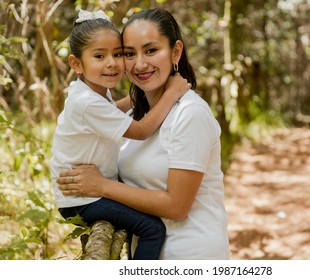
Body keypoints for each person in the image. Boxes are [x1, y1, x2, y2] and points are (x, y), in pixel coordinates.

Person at [57, 8, 230, 260]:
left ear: (176, 52)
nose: (139, 63)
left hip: (189, 255)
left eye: (151, 50)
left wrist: (101, 186)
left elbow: (177, 206)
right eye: (129, 53)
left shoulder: (190, 114)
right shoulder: (132, 115)